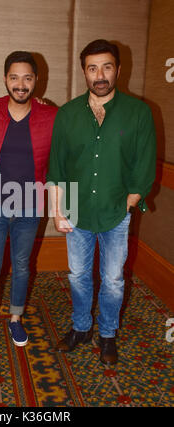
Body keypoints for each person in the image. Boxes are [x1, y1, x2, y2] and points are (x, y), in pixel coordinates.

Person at [47, 39, 156, 364]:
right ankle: (80, 328)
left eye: (106, 67)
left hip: (115, 213)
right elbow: (57, 166)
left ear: (118, 69)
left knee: (112, 279)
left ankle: (107, 334)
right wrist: (56, 211)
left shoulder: (138, 112)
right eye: (93, 68)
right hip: (76, 212)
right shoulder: (67, 114)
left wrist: (129, 202)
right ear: (84, 71)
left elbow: (145, 164)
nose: (100, 74)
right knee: (78, 276)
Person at [0, 51, 57, 357]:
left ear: (36, 81)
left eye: (27, 77)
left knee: (22, 265)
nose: (20, 84)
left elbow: (63, 153)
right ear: (5, 78)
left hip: (30, 206)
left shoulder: (50, 116)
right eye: (14, 77)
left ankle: (15, 318)